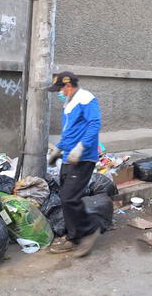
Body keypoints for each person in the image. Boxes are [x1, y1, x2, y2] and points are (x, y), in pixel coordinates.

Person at [47, 71, 103, 257]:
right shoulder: (69, 103)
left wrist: (81, 147)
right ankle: (73, 237)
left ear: (68, 86)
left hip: (83, 157)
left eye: (60, 89)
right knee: (65, 197)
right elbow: (69, 133)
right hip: (68, 158)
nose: (59, 93)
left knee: (69, 197)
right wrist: (58, 150)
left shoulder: (86, 98)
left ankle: (91, 229)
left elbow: (94, 124)